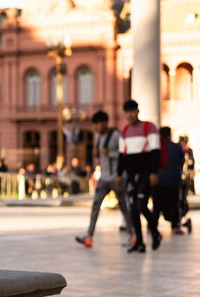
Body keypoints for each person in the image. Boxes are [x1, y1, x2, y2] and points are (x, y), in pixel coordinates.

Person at [75, 110, 131, 248]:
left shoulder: (116, 135)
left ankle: (132, 234)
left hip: (116, 178)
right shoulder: (99, 137)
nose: (95, 128)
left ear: (105, 123)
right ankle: (89, 236)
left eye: (97, 124)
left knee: (124, 207)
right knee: (95, 206)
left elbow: (124, 155)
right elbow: (101, 155)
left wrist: (110, 155)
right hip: (104, 178)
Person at [117, 99, 160, 253]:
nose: (130, 115)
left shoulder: (149, 127)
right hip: (131, 175)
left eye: (132, 111)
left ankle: (155, 232)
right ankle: (139, 242)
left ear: (137, 111)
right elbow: (122, 156)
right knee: (133, 209)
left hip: (145, 174)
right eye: (127, 112)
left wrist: (154, 172)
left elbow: (155, 152)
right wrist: (119, 174)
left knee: (142, 205)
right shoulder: (125, 131)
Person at [152, 127, 186, 236]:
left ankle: (153, 225)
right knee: (174, 203)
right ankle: (175, 226)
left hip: (159, 180)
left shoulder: (156, 147)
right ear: (169, 134)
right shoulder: (177, 147)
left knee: (157, 205)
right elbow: (182, 161)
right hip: (173, 180)